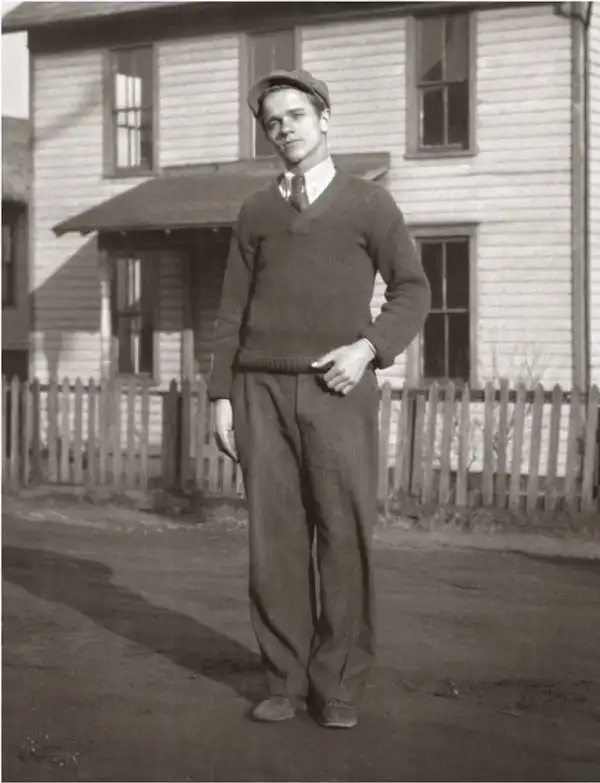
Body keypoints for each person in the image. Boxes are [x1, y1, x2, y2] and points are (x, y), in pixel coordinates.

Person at [208, 69, 430, 729]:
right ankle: (284, 678)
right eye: (272, 122)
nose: (284, 130)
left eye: (296, 115)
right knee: (274, 540)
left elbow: (412, 290)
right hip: (260, 390)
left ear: (324, 118)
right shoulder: (255, 212)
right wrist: (221, 396)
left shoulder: (369, 204)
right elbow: (231, 311)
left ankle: (337, 686)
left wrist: (367, 349)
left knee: (342, 533)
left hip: (339, 388)